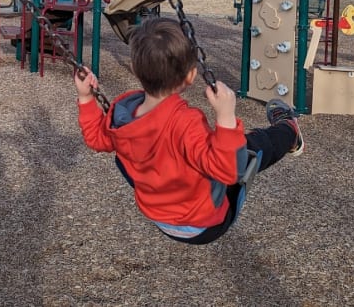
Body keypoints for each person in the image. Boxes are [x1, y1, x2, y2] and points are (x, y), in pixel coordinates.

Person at [74, 16, 303, 245]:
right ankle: (289, 130)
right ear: (191, 76)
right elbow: (228, 171)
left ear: (134, 68)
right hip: (204, 224)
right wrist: (225, 117)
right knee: (250, 147)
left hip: (159, 216)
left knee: (129, 151)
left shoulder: (122, 116)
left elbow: (95, 138)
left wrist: (85, 98)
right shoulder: (186, 123)